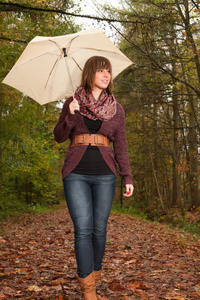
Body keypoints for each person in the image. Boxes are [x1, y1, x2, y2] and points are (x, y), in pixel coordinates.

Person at [54, 56, 134, 300]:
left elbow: (120, 144)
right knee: (83, 229)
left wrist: (127, 176)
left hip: (105, 175)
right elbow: (59, 136)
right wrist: (69, 115)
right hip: (75, 173)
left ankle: (95, 272)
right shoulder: (72, 102)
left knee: (99, 230)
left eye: (108, 71)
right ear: (90, 73)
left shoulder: (116, 109)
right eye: (101, 70)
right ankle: (89, 289)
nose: (106, 75)